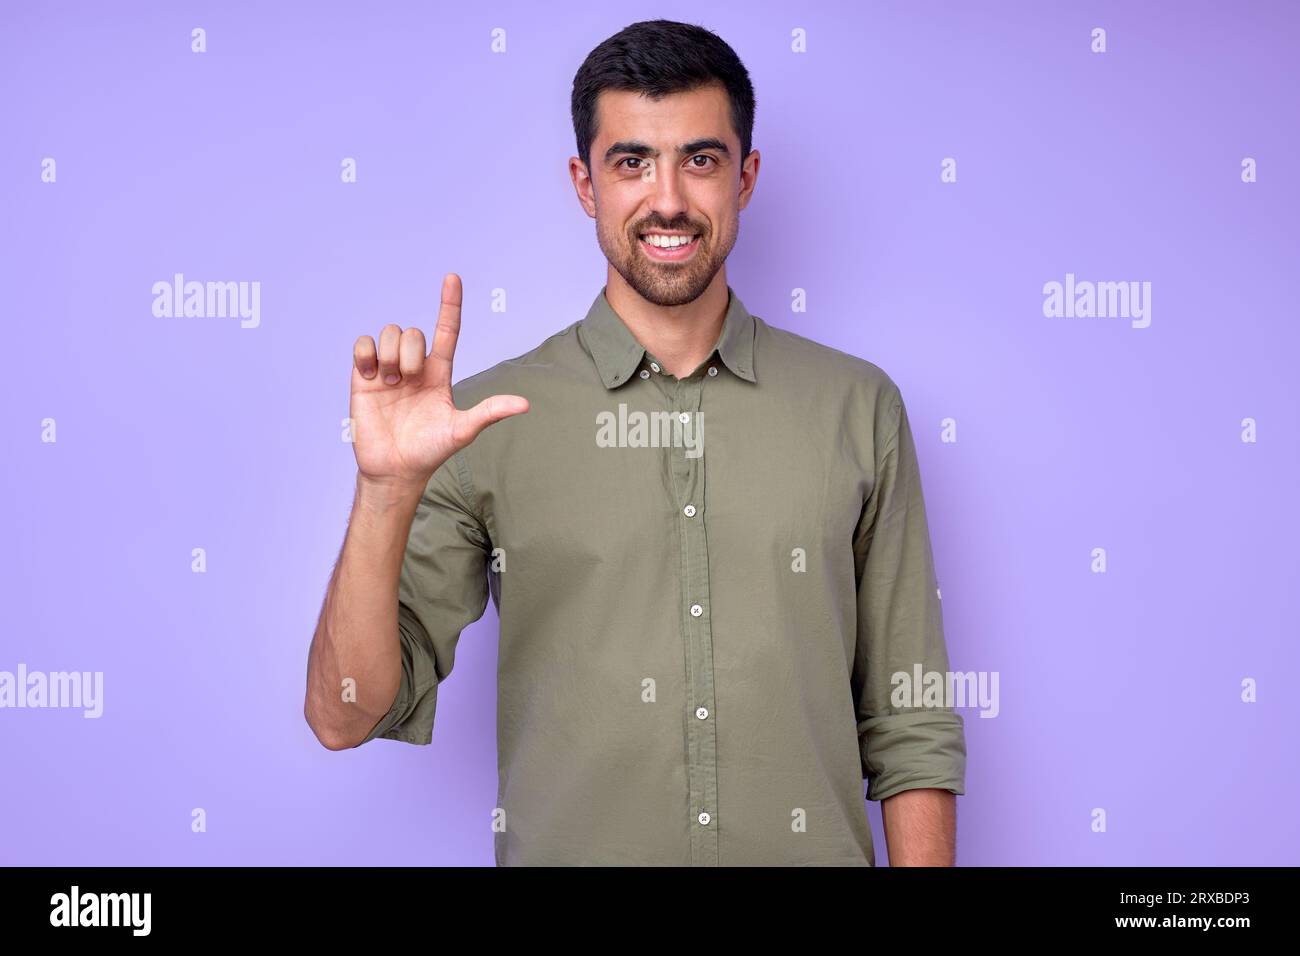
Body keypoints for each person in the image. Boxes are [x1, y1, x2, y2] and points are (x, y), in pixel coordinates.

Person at [304, 18, 966, 866]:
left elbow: (910, 723)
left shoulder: (858, 407)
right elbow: (342, 713)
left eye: (700, 159)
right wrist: (386, 491)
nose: (668, 201)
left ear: (746, 176)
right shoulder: (483, 423)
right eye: (631, 162)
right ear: (584, 183)